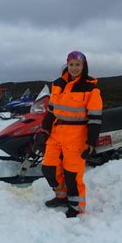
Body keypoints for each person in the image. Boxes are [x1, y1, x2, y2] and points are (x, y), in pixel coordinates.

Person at [33, 51, 103, 218]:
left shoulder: (91, 88)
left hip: (77, 135)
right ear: (67, 65)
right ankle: (61, 196)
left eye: (77, 64)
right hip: (57, 132)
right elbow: (50, 112)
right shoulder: (57, 84)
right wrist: (43, 131)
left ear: (83, 66)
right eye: (71, 64)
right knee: (48, 168)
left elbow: (95, 119)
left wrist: (91, 143)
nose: (74, 68)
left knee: (72, 175)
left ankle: (76, 207)